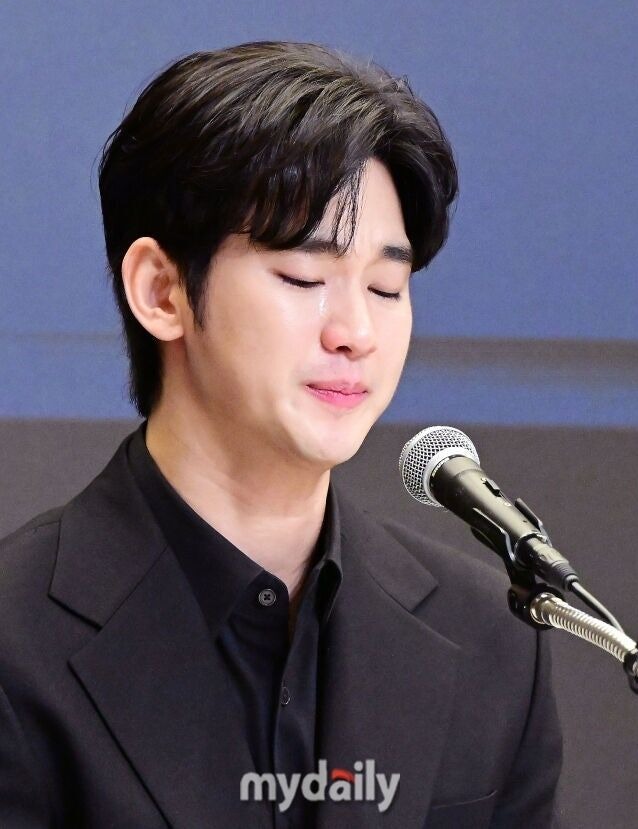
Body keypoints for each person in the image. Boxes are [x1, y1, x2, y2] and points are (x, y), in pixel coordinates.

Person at [0, 42, 562, 828]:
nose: (356, 331)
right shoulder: (16, 636)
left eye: (387, 286)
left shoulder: (491, 639)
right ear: (161, 291)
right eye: (304, 277)